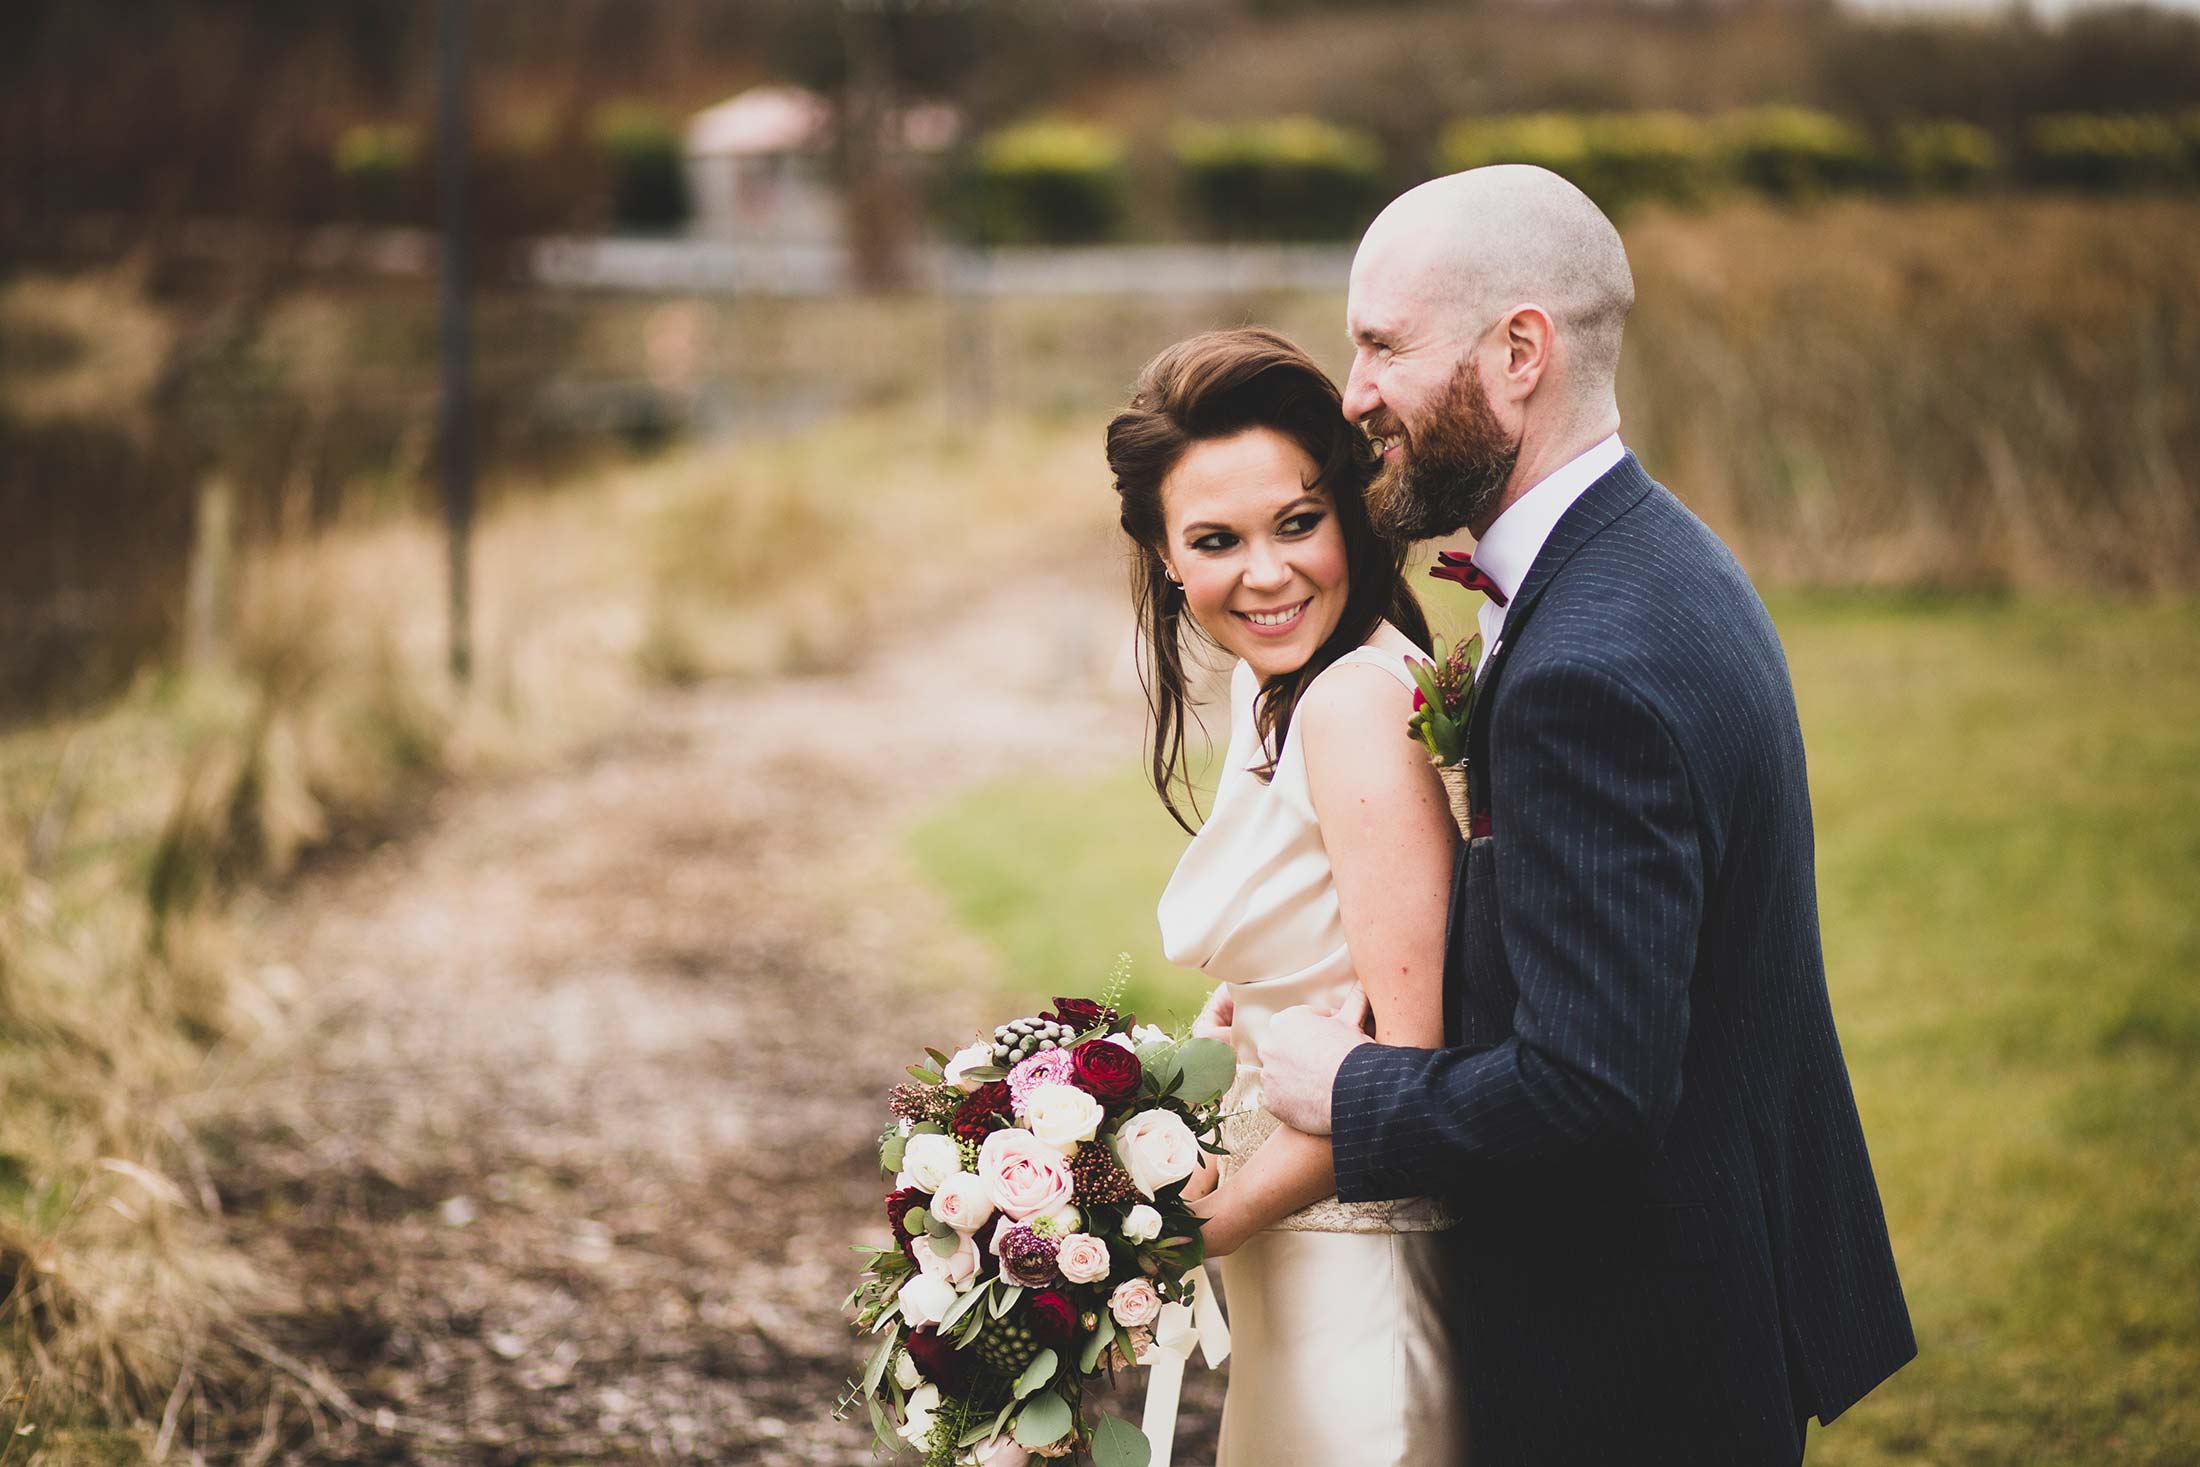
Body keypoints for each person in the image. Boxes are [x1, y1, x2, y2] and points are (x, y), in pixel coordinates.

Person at [1253, 164, 1917, 1465]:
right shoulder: (1656, 552)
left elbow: (1593, 1084)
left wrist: (1359, 1085)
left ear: (1518, 352)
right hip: (1710, 1293)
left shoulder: (1584, 667)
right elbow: (1616, 949)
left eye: (1383, 343)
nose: (1353, 392)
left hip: (1630, 1359)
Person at [1104, 327, 1467, 1465]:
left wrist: (1199, 1224)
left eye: (1296, 524)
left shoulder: (1356, 704)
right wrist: (1245, 1025)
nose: (1264, 575)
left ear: (1351, 511)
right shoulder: (1289, 697)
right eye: (1215, 541)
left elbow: (1404, 1070)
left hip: (1356, 1276)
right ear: (1166, 558)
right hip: (1299, 1272)